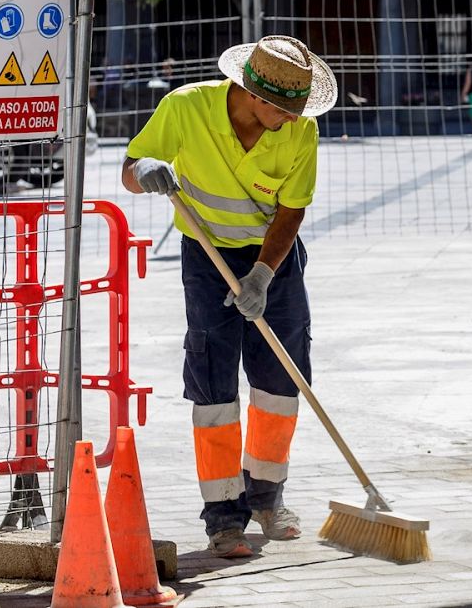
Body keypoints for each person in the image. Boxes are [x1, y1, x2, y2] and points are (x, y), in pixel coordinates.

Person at [121, 35, 337, 557]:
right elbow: (130, 170)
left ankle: (266, 498)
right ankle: (223, 515)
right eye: (282, 110)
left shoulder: (300, 131)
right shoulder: (186, 108)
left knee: (281, 384)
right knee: (214, 382)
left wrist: (262, 275)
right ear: (252, 93)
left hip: (272, 261)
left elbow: (290, 213)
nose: (291, 119)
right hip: (207, 255)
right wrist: (144, 171)